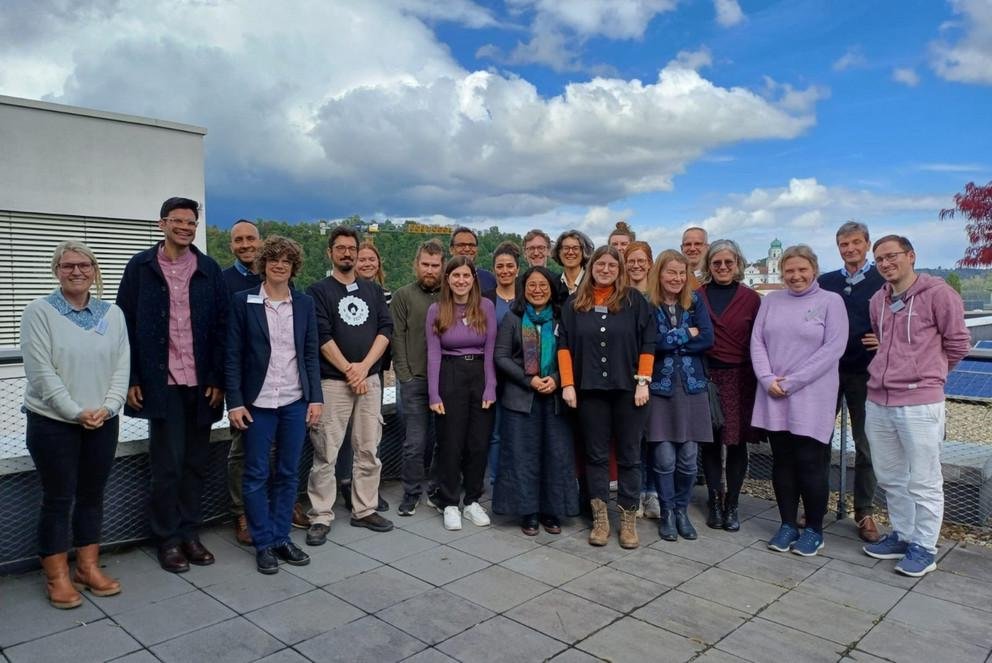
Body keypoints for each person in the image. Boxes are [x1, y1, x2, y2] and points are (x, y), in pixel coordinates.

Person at [117, 197, 228, 574]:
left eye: (191, 222)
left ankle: (190, 533)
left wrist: (217, 378)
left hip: (200, 385)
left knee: (196, 463)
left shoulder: (209, 269)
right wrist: (131, 378)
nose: (185, 227)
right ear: (162, 224)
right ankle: (166, 539)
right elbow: (124, 324)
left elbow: (220, 329)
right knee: (167, 466)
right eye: (177, 221)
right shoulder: (141, 267)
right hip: (160, 384)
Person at [21, 241, 129, 608]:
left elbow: (121, 366)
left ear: (95, 270)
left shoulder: (112, 314)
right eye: (68, 266)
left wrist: (111, 406)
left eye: (84, 265)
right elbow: (40, 372)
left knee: (91, 496)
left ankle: (87, 567)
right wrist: (73, 411)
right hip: (54, 423)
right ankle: (57, 577)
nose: (77, 271)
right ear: (56, 270)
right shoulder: (38, 312)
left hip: (103, 421)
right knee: (57, 499)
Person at [862, 235, 969, 577]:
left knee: (924, 479)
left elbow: (958, 343)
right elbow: (883, 340)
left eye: (891, 256)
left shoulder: (939, 294)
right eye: (879, 259)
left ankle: (925, 546)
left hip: (920, 403)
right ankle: (904, 535)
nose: (885, 263)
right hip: (878, 399)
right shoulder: (878, 300)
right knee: (891, 476)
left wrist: (929, 376)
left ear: (911, 256)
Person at [225, 236, 323, 574]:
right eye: (273, 259)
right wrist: (235, 402)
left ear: (294, 266)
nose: (280, 265)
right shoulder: (244, 302)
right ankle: (263, 542)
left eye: (286, 260)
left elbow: (310, 354)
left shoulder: (305, 304)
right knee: (254, 474)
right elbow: (232, 356)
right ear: (263, 263)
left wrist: (316, 398)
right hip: (259, 403)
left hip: (294, 401)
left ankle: (282, 537)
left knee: (287, 472)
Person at [751, 245, 847, 557]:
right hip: (774, 393)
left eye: (802, 270)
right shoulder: (772, 301)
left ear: (814, 270)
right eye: (789, 270)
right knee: (782, 461)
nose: (796, 276)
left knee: (810, 463)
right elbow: (757, 341)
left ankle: (814, 529)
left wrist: (791, 382)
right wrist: (767, 379)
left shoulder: (831, 302)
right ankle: (787, 524)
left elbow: (832, 349)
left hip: (811, 394)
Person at [559, 246, 654, 549]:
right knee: (596, 455)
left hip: (629, 390)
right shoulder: (576, 303)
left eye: (612, 265)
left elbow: (648, 342)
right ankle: (600, 519)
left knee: (629, 456)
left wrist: (643, 381)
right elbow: (564, 347)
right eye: (601, 264)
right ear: (592, 266)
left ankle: (626, 521)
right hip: (589, 391)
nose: (606, 269)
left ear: (620, 269)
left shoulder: (634, 301)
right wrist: (568, 384)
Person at [304, 226, 394, 546]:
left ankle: (365, 508)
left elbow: (385, 329)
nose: (346, 253)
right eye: (340, 248)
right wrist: (348, 370)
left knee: (369, 447)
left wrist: (364, 368)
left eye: (351, 248)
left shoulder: (371, 290)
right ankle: (320, 515)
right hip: (333, 381)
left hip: (368, 379)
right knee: (326, 451)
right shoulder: (318, 291)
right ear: (330, 252)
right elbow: (321, 335)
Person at [493, 266, 578, 534]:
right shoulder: (512, 318)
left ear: (552, 288)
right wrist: (528, 380)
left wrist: (555, 377)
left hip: (555, 398)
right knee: (522, 456)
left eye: (543, 285)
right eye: (532, 285)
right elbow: (501, 357)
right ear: (523, 288)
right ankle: (527, 512)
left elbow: (572, 352)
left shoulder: (562, 318)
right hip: (521, 399)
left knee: (556, 455)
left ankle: (551, 511)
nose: (537, 290)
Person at [817, 221, 885, 542]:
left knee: (865, 443)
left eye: (856, 243)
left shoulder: (882, 280)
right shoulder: (826, 282)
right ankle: (814, 505)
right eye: (844, 244)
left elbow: (903, 321)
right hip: (828, 371)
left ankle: (864, 511)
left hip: (865, 372)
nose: (850, 249)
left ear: (867, 244)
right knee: (816, 439)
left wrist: (886, 339)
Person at [646, 250, 714, 542]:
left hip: (692, 387)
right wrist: (687, 334)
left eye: (681, 273)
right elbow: (650, 343)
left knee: (687, 458)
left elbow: (708, 338)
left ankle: (681, 511)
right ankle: (666, 512)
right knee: (663, 459)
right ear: (659, 273)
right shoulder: (648, 305)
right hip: (659, 389)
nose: (676, 278)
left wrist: (672, 339)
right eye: (670, 272)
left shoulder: (696, 302)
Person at [426, 256, 497, 531]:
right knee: (450, 443)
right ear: (448, 279)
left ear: (473, 280)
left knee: (477, 443)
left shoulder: (485, 307)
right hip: (450, 375)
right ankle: (450, 502)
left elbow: (490, 349)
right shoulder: (437, 309)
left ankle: (472, 501)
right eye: (455, 276)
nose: (461, 281)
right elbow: (433, 354)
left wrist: (490, 385)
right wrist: (434, 394)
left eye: (466, 276)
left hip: (479, 375)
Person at [697, 239, 762, 532]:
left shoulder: (751, 299)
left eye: (728, 262)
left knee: (736, 444)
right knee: (709, 443)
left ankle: (732, 504)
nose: (722, 267)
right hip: (707, 376)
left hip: (741, 377)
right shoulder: (697, 296)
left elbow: (761, 339)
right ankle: (713, 500)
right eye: (717, 263)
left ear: (738, 264)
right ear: (709, 266)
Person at [337, 239, 392, 514]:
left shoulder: (383, 294)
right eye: (363, 259)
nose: (368, 263)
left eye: (372, 259)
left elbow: (388, 330)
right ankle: (346, 483)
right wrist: (354, 369)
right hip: (346, 374)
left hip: (375, 372)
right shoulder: (341, 293)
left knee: (371, 433)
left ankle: (368, 489)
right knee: (346, 434)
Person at [392, 240, 445, 516]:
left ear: (443, 267)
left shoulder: (451, 295)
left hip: (446, 383)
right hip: (416, 380)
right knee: (414, 442)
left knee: (443, 441)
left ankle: (436, 489)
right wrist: (406, 375)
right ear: (416, 265)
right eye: (425, 264)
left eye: (435, 266)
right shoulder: (403, 296)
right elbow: (397, 338)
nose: (430, 270)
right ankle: (411, 492)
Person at [221, 219, 262, 546]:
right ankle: (241, 513)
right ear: (231, 245)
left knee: (276, 448)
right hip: (242, 384)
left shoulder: (276, 275)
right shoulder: (224, 281)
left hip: (280, 382)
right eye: (239, 240)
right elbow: (220, 338)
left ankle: (281, 504)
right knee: (240, 451)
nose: (246, 244)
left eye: (251, 238)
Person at [625, 242, 660, 520]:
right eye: (631, 260)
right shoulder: (620, 296)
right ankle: (635, 493)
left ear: (649, 262)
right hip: (628, 375)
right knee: (633, 439)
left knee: (654, 438)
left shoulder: (658, 295)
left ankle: (653, 493)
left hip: (656, 374)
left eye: (641, 260)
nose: (636, 265)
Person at [482, 241, 521, 484]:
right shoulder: (485, 299)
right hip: (491, 373)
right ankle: (496, 481)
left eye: (510, 266)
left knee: (517, 431)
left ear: (518, 269)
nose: (505, 271)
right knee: (494, 432)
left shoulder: (527, 297)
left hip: (521, 374)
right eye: (500, 266)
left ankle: (517, 479)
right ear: (494, 269)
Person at [450, 226, 496, 291]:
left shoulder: (489, 279)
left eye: (471, 245)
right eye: (461, 245)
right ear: (451, 250)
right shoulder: (442, 278)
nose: (467, 249)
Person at [552, 229, 594, 296]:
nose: (570, 252)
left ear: (584, 252)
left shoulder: (593, 282)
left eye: (575, 248)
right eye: (566, 248)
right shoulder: (552, 285)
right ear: (559, 252)